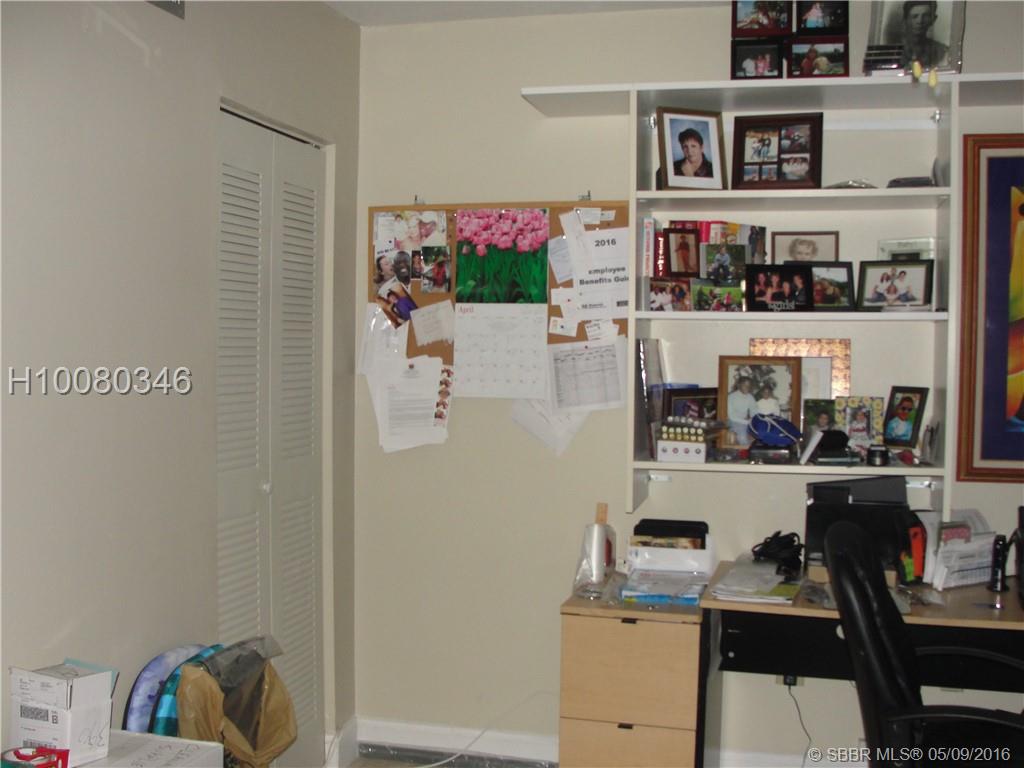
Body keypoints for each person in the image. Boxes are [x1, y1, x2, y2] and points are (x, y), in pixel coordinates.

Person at [899, 1, 949, 70]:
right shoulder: (894, 50)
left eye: (925, 16)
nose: (920, 21)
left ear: (933, 19)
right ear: (905, 20)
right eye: (914, 16)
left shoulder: (942, 51)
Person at [727, 376, 758, 446]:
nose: (747, 387)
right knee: (743, 438)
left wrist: (753, 419)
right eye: (745, 385)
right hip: (733, 421)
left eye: (749, 385)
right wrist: (747, 422)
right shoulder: (731, 397)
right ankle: (745, 450)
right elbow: (731, 416)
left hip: (744, 421)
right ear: (739, 385)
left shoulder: (750, 397)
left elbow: (754, 411)